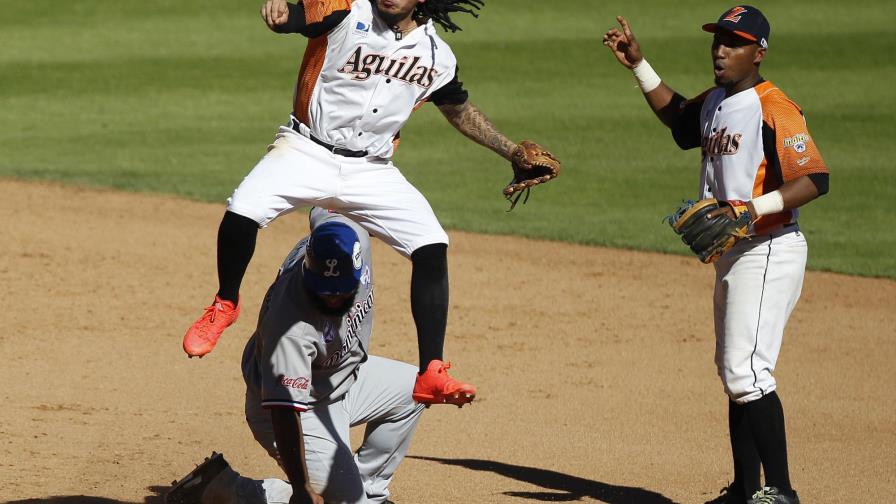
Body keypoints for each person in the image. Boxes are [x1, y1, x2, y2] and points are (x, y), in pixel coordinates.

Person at [182, 0, 558, 406]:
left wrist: (511, 152)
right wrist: (280, 16)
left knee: (432, 245)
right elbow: (298, 17)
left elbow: (458, 109)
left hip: (372, 170)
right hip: (306, 151)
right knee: (243, 209)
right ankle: (226, 303)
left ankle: (431, 370)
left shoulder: (436, 55)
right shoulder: (345, 10)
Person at [603, 6, 829, 504]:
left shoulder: (775, 106)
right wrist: (640, 66)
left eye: (735, 42)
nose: (721, 50)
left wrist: (751, 209)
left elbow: (814, 179)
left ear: (759, 52)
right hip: (733, 251)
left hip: (769, 248)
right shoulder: (717, 101)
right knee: (735, 374)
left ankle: (782, 493)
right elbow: (681, 121)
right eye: (717, 41)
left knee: (747, 372)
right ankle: (746, 490)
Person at [168, 208, 434, 504]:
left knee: (415, 388)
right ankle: (224, 487)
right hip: (291, 408)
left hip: (338, 379)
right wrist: (301, 487)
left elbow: (334, 199)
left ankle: (370, 494)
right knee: (328, 498)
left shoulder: (344, 234)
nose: (331, 298)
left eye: (340, 292)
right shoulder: (291, 329)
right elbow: (285, 413)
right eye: (323, 291)